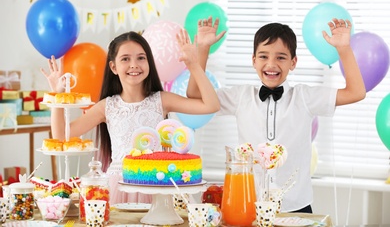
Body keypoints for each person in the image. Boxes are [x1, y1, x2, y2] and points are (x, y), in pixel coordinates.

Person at [187, 17, 366, 213]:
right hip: (249, 205)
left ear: (293, 62)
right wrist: (202, 49)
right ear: (253, 60)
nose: (271, 64)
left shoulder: (304, 97)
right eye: (263, 56)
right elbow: (196, 94)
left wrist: (343, 49)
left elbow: (356, 92)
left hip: (295, 206)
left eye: (280, 57)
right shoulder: (241, 96)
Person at [41, 30, 220, 205]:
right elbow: (61, 135)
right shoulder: (107, 106)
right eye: (125, 59)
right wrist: (57, 95)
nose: (134, 64)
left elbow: (211, 105)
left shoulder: (162, 100)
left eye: (141, 58)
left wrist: (193, 65)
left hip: (156, 184)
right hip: (119, 186)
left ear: (149, 63)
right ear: (113, 67)